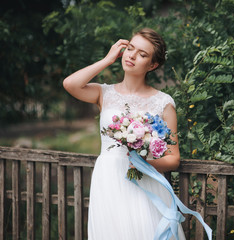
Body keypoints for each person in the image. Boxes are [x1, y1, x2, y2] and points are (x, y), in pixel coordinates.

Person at [63, 28, 186, 240]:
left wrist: (144, 162)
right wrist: (107, 59)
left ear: (153, 65)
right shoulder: (104, 93)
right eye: (130, 49)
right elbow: (70, 84)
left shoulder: (163, 103)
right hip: (108, 180)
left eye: (142, 54)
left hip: (144, 182)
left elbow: (173, 158)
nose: (132, 55)